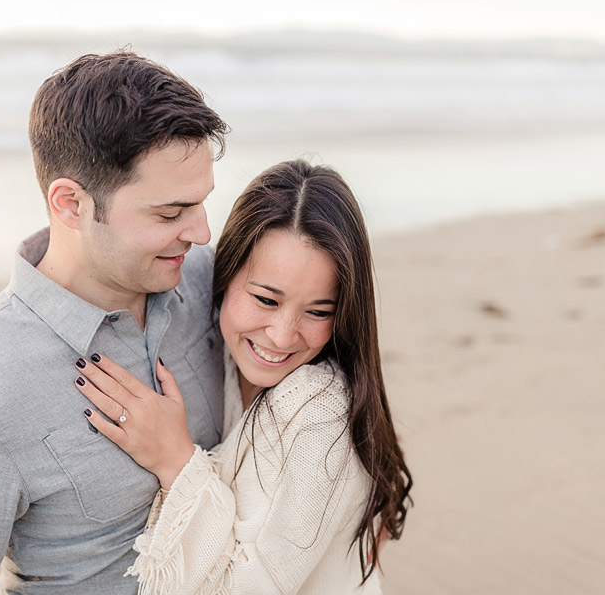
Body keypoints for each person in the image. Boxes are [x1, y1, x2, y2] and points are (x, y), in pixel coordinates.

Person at [0, 51, 229, 594]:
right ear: (70, 205)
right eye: (169, 214)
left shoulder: (208, 280)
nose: (201, 233)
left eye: (202, 204)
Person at [75, 159, 413, 594]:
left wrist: (175, 460)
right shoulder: (223, 361)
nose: (282, 335)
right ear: (226, 274)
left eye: (318, 311)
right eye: (266, 300)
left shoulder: (317, 409)